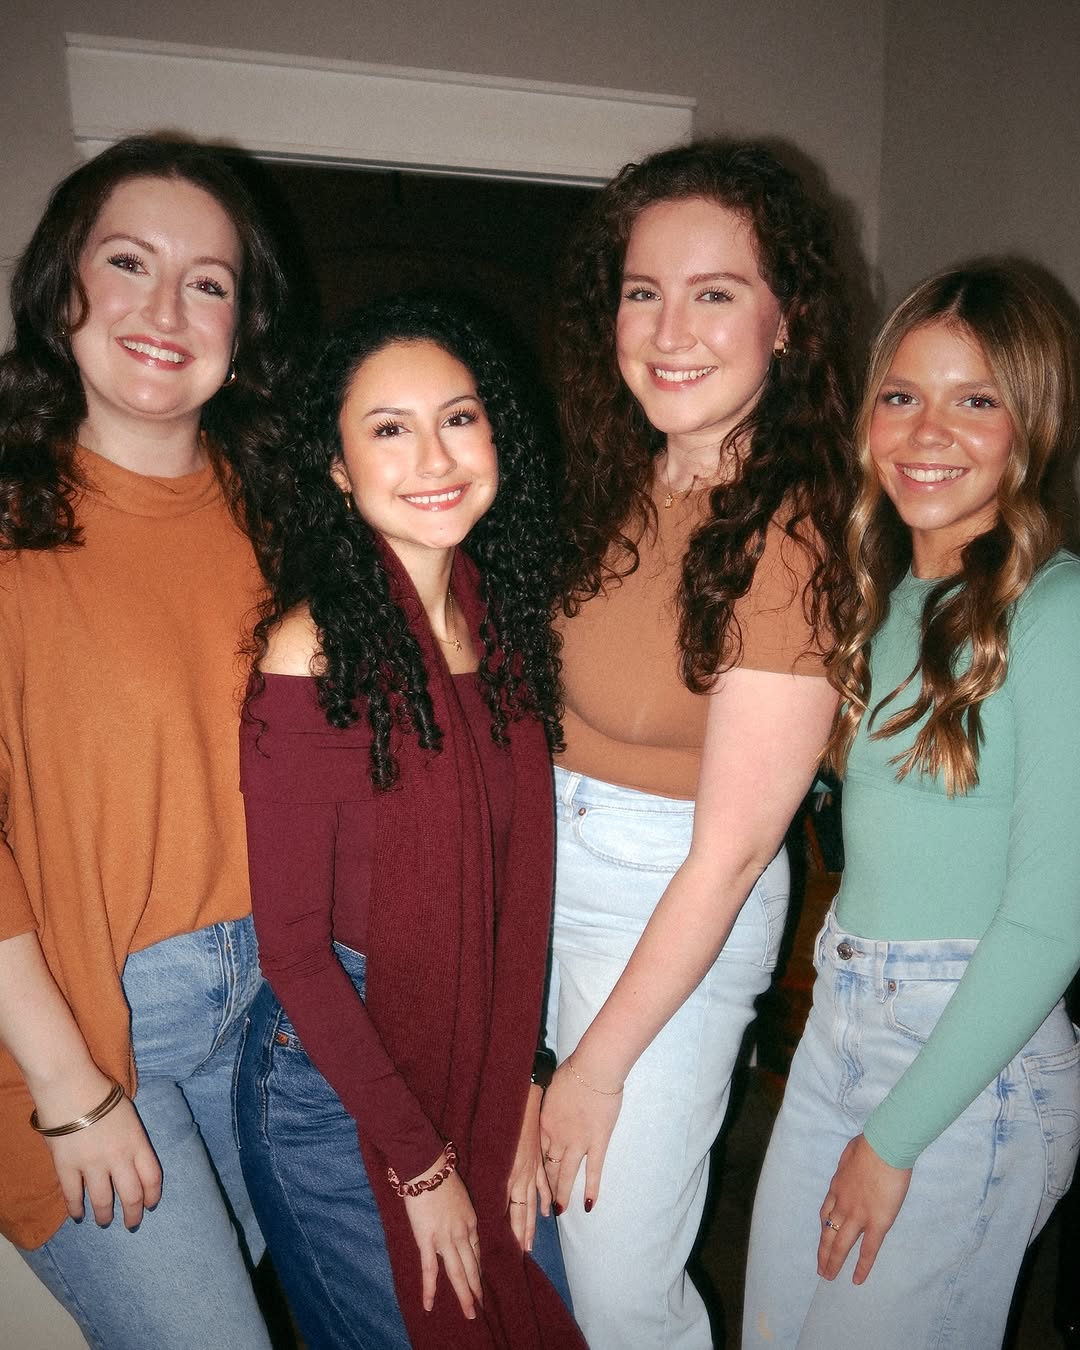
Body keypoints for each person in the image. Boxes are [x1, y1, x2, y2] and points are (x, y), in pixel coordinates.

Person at [537, 139, 855, 1348]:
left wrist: (595, 1067)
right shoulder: (614, 484)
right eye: (643, 291)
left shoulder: (790, 537)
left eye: (714, 292)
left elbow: (727, 860)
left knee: (622, 1291)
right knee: (537, 1246)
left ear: (788, 321)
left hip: (662, 909)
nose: (669, 331)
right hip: (542, 884)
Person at [234, 295, 587, 1350]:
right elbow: (293, 952)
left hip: (480, 1055)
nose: (434, 456)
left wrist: (522, 1081)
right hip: (334, 1083)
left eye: (459, 418)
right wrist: (422, 1166)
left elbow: (516, 893)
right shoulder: (313, 650)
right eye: (389, 428)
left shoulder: (501, 625)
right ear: (339, 469)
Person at [743, 261, 1080, 1349]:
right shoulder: (878, 600)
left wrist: (895, 1140)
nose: (928, 432)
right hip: (838, 1021)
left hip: (971, 1062)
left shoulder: (1060, 613)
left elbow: (1052, 924)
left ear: (1032, 423)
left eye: (975, 399)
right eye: (902, 395)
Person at [0, 136, 292, 1348]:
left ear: (243, 323)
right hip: (79, 1016)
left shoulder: (287, 514)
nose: (165, 310)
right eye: (128, 262)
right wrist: (68, 1087)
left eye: (207, 281)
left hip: (273, 1004)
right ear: (61, 285)